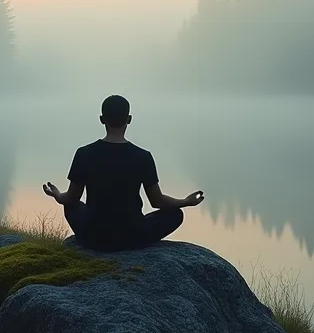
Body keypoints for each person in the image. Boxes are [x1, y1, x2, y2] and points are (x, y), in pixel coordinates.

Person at [43, 94, 204, 252]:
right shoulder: (143, 156)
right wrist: (185, 201)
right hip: (133, 236)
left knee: (71, 206)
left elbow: (71, 198)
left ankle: (96, 240)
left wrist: (57, 194)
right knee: (175, 214)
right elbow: (157, 201)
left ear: (102, 119)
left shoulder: (84, 153)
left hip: (94, 236)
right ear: (129, 119)